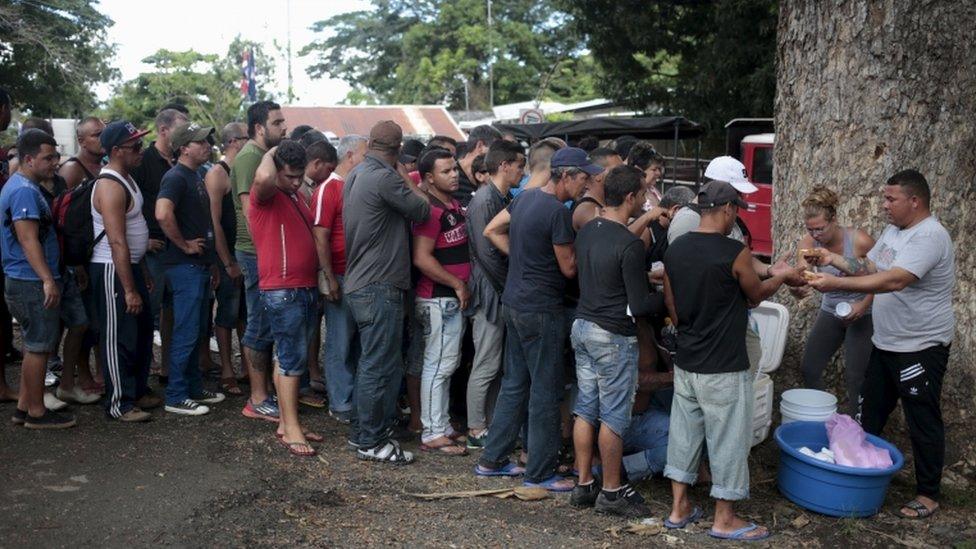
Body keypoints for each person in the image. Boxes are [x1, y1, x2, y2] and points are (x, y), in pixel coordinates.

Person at [808, 169, 955, 520]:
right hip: (887, 342)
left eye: (891, 199)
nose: (884, 206)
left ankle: (928, 493)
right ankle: (859, 474)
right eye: (884, 198)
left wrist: (834, 284)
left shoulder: (930, 236)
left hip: (920, 345)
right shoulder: (894, 231)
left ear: (915, 201)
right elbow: (872, 265)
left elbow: (894, 280)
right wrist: (835, 261)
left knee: (922, 416)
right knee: (869, 411)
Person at [662, 181, 797, 541]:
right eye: (735, 209)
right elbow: (755, 297)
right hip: (724, 362)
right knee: (728, 440)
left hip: (688, 360)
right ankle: (724, 519)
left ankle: (679, 508)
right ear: (725, 210)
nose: (735, 215)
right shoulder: (733, 252)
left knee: (684, 435)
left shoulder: (675, 249)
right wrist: (781, 277)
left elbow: (672, 307)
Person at [476, 147, 597, 491]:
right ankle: (540, 472)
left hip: (514, 302)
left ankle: (492, 459)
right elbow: (568, 267)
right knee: (545, 390)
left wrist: (526, 258)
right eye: (583, 178)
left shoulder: (525, 199)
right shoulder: (559, 212)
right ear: (567, 176)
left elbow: (492, 230)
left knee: (514, 384)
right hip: (542, 308)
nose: (586, 185)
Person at [570, 165, 659, 517]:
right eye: (641, 194)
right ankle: (611, 490)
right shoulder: (629, 245)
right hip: (612, 335)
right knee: (613, 417)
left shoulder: (589, 228)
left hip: (582, 326)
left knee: (585, 408)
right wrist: (664, 297)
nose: (643, 199)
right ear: (630, 197)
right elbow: (638, 306)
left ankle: (583, 484)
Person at [343, 120, 429, 464]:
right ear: (397, 149)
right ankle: (373, 440)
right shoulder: (385, 177)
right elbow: (423, 209)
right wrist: (406, 176)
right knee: (380, 365)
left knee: (370, 363)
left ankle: (363, 433)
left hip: (363, 281)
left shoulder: (357, 173)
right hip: (379, 284)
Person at [248, 140, 323, 457]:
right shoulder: (265, 195)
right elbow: (264, 178)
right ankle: (291, 427)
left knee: (290, 357)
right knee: (292, 359)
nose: (296, 182)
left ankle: (285, 422)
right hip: (282, 288)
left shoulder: (293, 195)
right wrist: (270, 153)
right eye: (289, 176)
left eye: (299, 176)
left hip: (300, 285)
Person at [1, 129, 75, 428]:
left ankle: (23, 406)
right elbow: (28, 239)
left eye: (56, 156)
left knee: (37, 345)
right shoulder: (24, 191)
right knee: (38, 347)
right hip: (29, 279)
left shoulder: (24, 186)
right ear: (29, 159)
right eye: (48, 158)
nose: (54, 163)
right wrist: (47, 279)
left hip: (26, 277)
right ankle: (35, 411)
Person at [88, 120, 159, 422]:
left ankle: (137, 389)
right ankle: (119, 402)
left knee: (141, 332)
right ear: (116, 150)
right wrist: (128, 288)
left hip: (129, 267)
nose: (141, 151)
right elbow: (117, 241)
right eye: (135, 147)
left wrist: (141, 271)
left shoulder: (126, 178)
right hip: (111, 270)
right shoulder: (110, 185)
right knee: (119, 337)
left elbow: (133, 233)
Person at [155, 123, 224, 416]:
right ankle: (176, 395)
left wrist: (210, 262)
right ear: (184, 148)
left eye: (206, 140)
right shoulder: (175, 177)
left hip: (198, 266)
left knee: (196, 331)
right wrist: (183, 245)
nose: (206, 144)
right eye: (199, 142)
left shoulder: (194, 174)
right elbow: (162, 213)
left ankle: (193, 388)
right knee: (185, 331)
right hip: (183, 267)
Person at [463, 139, 525, 449]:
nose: (522, 172)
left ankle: (490, 426)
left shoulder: (501, 196)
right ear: (504, 166)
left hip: (498, 291)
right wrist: (511, 286)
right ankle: (475, 428)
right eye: (519, 165)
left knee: (495, 365)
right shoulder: (485, 199)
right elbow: (488, 255)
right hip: (489, 292)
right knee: (486, 363)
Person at [792, 186, 875, 415]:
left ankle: (857, 428)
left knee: (855, 376)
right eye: (810, 229)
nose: (815, 235)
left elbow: (882, 277)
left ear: (834, 220)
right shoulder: (808, 242)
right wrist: (799, 288)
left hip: (862, 311)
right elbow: (803, 273)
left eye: (819, 228)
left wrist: (864, 304)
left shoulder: (859, 240)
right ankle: (825, 419)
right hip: (831, 310)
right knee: (810, 367)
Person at [410, 148, 471, 455]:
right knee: (437, 366)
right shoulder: (430, 211)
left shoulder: (454, 204)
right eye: (446, 171)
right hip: (437, 299)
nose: (455, 175)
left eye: (455, 169)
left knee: (448, 364)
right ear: (430, 178)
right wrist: (456, 283)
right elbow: (421, 257)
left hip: (448, 300)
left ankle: (442, 424)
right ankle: (432, 431)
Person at [233, 100, 287, 421]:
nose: (284, 127)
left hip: (261, 252)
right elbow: (249, 209)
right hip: (255, 253)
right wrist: (268, 253)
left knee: (265, 321)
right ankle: (257, 398)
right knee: (259, 322)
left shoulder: (262, 156)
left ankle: (263, 391)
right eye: (277, 122)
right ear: (259, 128)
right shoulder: (250, 158)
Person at [311, 134, 367, 425]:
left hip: (361, 275)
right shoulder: (328, 189)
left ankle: (355, 399)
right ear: (349, 156)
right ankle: (341, 402)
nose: (368, 160)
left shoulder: (357, 186)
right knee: (340, 341)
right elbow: (320, 235)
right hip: (342, 274)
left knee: (357, 342)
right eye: (364, 154)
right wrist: (329, 276)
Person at [132, 108, 189, 385]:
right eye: (181, 129)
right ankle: (140, 374)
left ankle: (167, 367)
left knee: (173, 311)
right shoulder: (143, 161)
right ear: (164, 130)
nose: (186, 135)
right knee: (147, 312)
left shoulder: (181, 159)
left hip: (178, 247)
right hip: (152, 249)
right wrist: (142, 242)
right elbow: (130, 206)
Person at [205, 122, 249, 396]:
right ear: (234, 141)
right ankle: (226, 369)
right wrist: (226, 260)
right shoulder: (217, 174)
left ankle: (247, 365)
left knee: (245, 313)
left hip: (243, 252)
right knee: (227, 313)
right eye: (246, 138)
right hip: (228, 255)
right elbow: (214, 222)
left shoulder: (242, 170)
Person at [455, 125, 502, 206]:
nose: (498, 156)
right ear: (480, 146)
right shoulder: (452, 176)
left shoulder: (489, 178)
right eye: (495, 150)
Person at [59, 117, 106, 189]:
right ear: (81, 141)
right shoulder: (71, 170)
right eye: (97, 135)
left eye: (105, 133)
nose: (104, 138)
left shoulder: (107, 163)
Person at [626, 142, 664, 208]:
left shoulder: (652, 189)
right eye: (654, 169)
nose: (659, 173)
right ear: (638, 170)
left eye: (659, 169)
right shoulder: (630, 195)